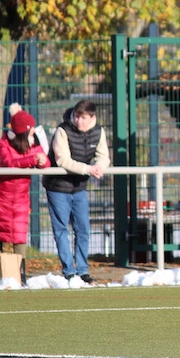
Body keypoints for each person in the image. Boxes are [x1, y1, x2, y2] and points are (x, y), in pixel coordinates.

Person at [0, 104, 50, 284]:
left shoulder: (33, 144)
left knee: (19, 236)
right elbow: (9, 162)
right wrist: (32, 159)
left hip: (20, 198)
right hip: (0, 197)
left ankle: (20, 274)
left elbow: (45, 161)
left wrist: (42, 161)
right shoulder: (4, 143)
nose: (33, 132)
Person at [43, 99, 110, 283]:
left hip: (79, 188)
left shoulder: (99, 132)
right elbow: (62, 160)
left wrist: (100, 167)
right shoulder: (62, 130)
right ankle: (69, 271)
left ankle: (82, 270)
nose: (79, 121)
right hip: (58, 187)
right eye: (77, 116)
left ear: (92, 118)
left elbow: (104, 156)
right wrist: (88, 169)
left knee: (83, 229)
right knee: (61, 230)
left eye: (83, 118)